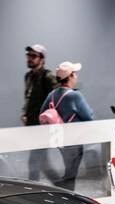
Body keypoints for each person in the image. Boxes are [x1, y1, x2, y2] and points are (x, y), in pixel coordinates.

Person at [39, 61, 94, 192]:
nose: (76, 77)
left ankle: (63, 191)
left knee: (68, 171)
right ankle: (66, 196)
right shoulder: (75, 96)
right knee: (71, 175)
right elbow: (89, 117)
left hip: (59, 139)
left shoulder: (51, 94)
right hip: (73, 140)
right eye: (75, 74)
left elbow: (42, 113)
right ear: (70, 76)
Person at [21, 44, 56, 126]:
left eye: (33, 56)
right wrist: (24, 112)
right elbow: (28, 98)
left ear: (42, 59)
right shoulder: (28, 76)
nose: (29, 58)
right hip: (30, 123)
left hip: (43, 124)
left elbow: (56, 101)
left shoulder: (48, 76)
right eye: (28, 55)